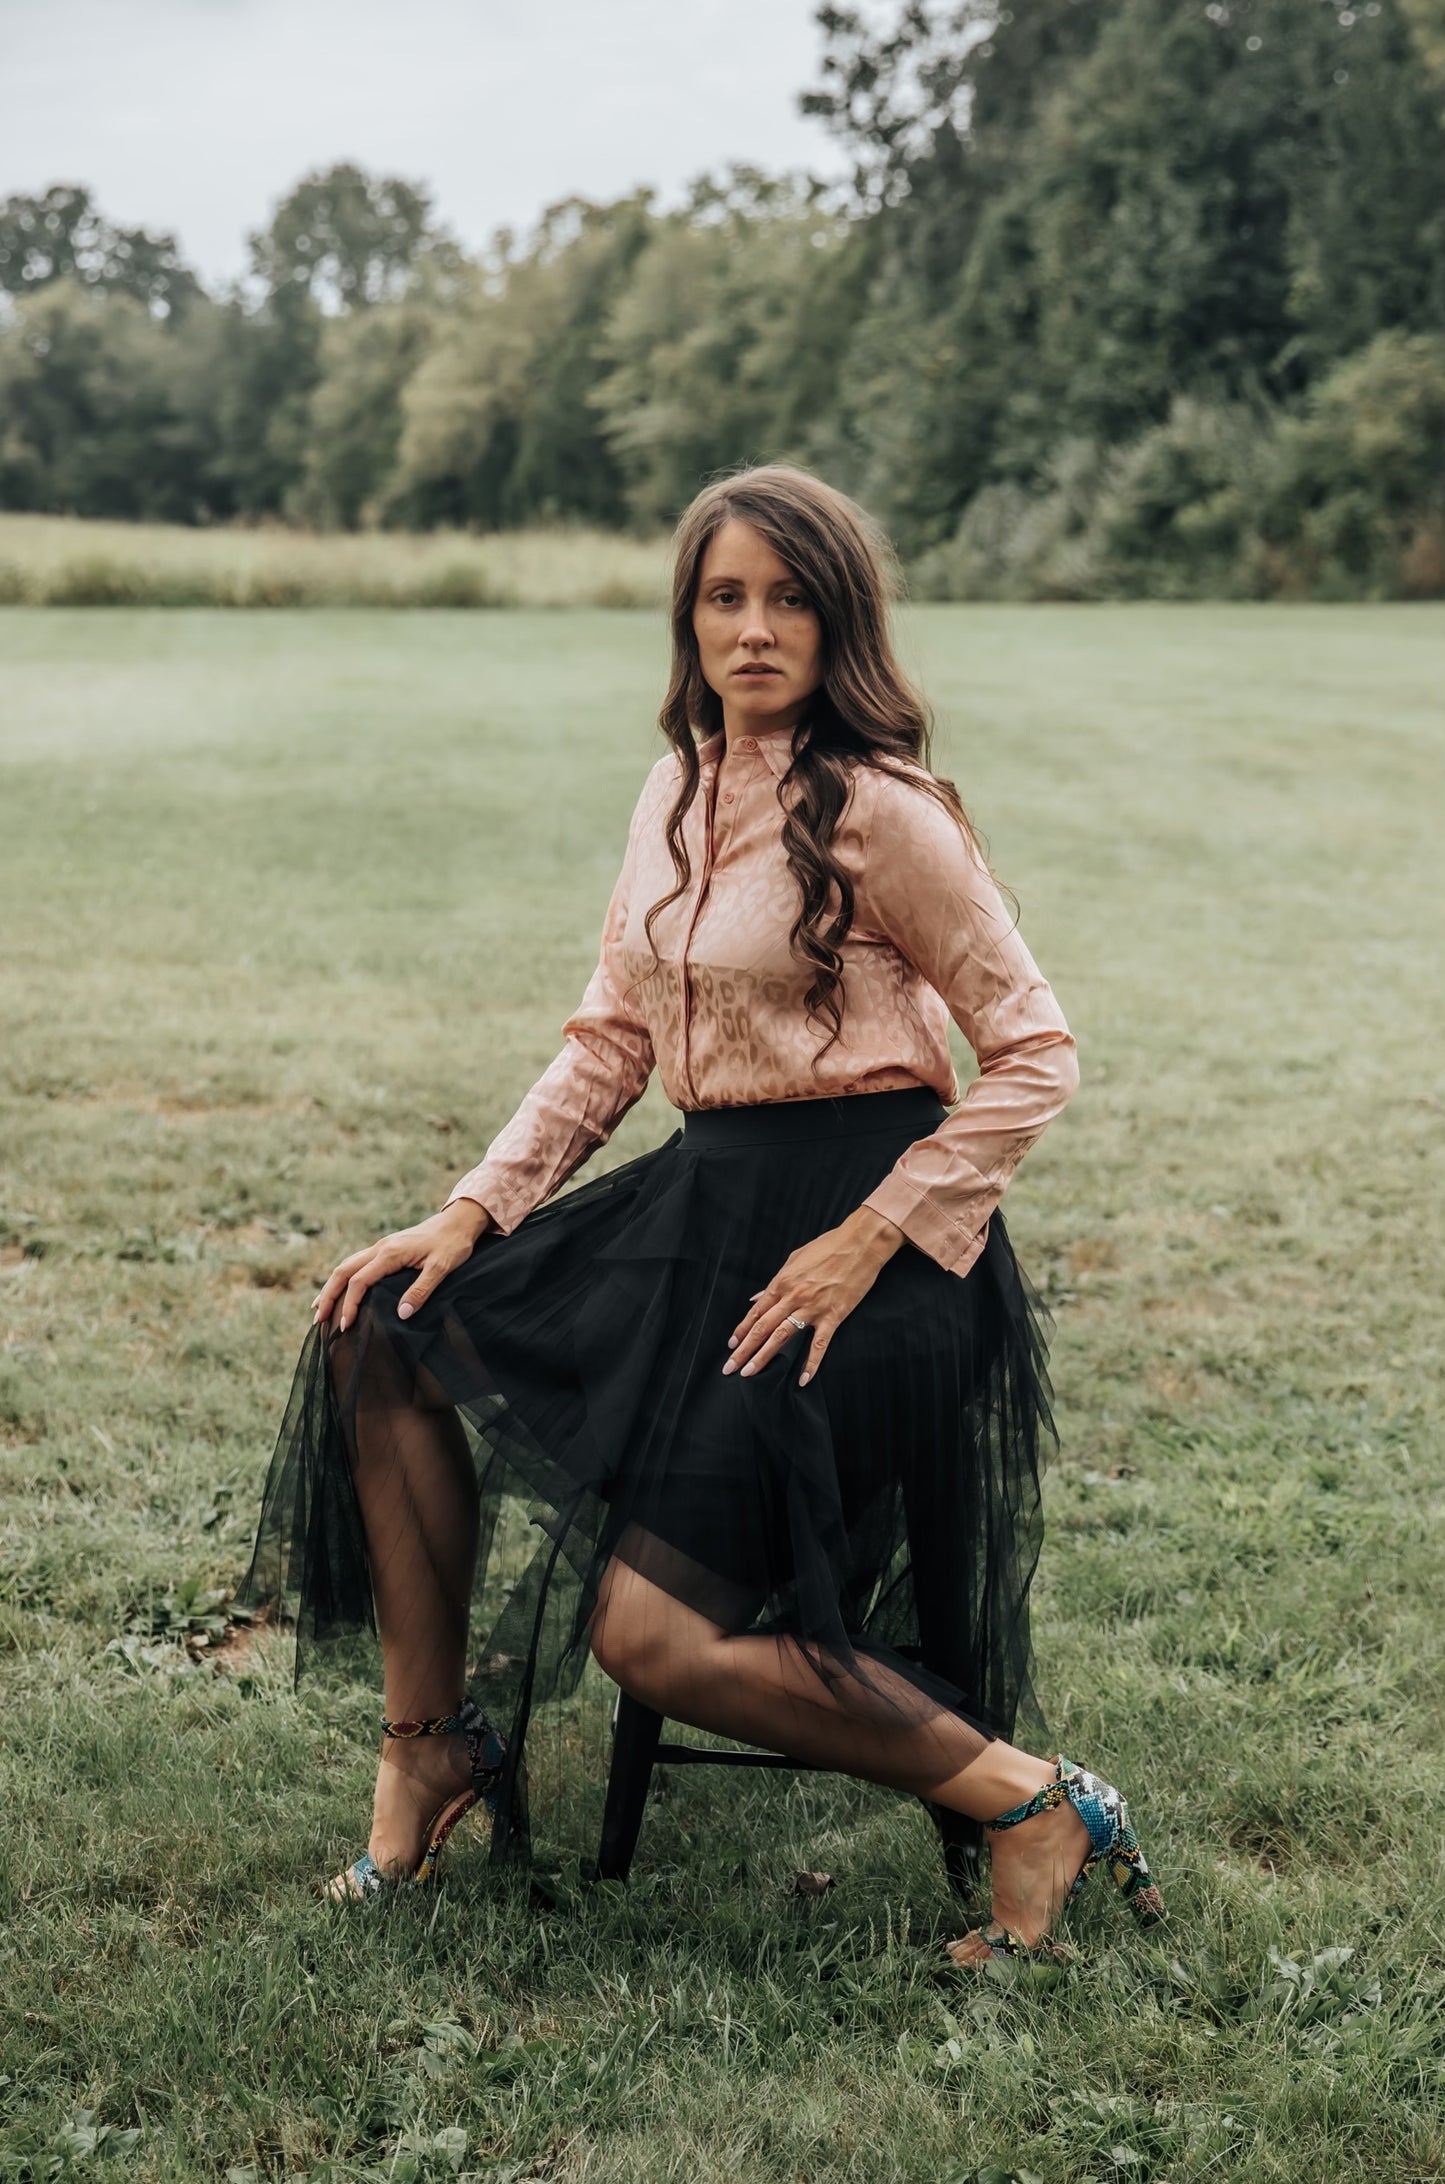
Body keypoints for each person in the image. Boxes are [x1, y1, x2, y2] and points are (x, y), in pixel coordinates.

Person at [237, 463, 1164, 1964]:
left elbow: (1037, 1049)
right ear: (687, 617)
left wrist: (872, 1233)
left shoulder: (885, 810)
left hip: (875, 1245)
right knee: (385, 1333)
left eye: (788, 598)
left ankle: (1034, 1802)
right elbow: (612, 1037)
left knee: (648, 1638)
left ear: (839, 619)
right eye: (723, 597)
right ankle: (428, 1745)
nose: (753, 629)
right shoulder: (673, 789)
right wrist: (470, 1212)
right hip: (704, 1205)